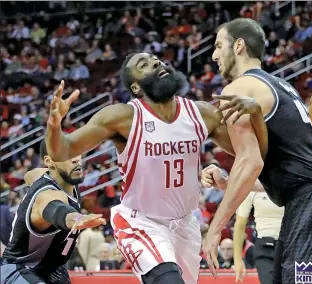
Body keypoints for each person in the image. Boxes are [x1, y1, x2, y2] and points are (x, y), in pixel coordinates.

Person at [44, 52, 267, 284]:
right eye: (144, 65)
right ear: (136, 87)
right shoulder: (123, 117)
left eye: (156, 60)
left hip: (185, 224)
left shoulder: (200, 113)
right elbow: (62, 151)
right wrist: (53, 124)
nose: (156, 63)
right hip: (141, 222)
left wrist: (257, 114)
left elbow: (253, 155)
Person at [202, 18, 312, 283]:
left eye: (218, 45)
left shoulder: (239, 88)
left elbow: (250, 162)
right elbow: (287, 167)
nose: (214, 55)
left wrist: (215, 228)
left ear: (238, 46)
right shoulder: (282, 85)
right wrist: (229, 183)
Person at [0, 140, 106, 284]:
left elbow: (29, 175)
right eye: (66, 154)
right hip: (20, 268)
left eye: (76, 151)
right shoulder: (48, 194)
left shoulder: (63, 179)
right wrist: (75, 218)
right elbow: (56, 209)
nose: (76, 158)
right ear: (49, 161)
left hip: (53, 269)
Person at [201, 163, 283, 284]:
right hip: (265, 247)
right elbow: (240, 224)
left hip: (289, 244)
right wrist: (238, 259)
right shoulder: (252, 186)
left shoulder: (290, 182)